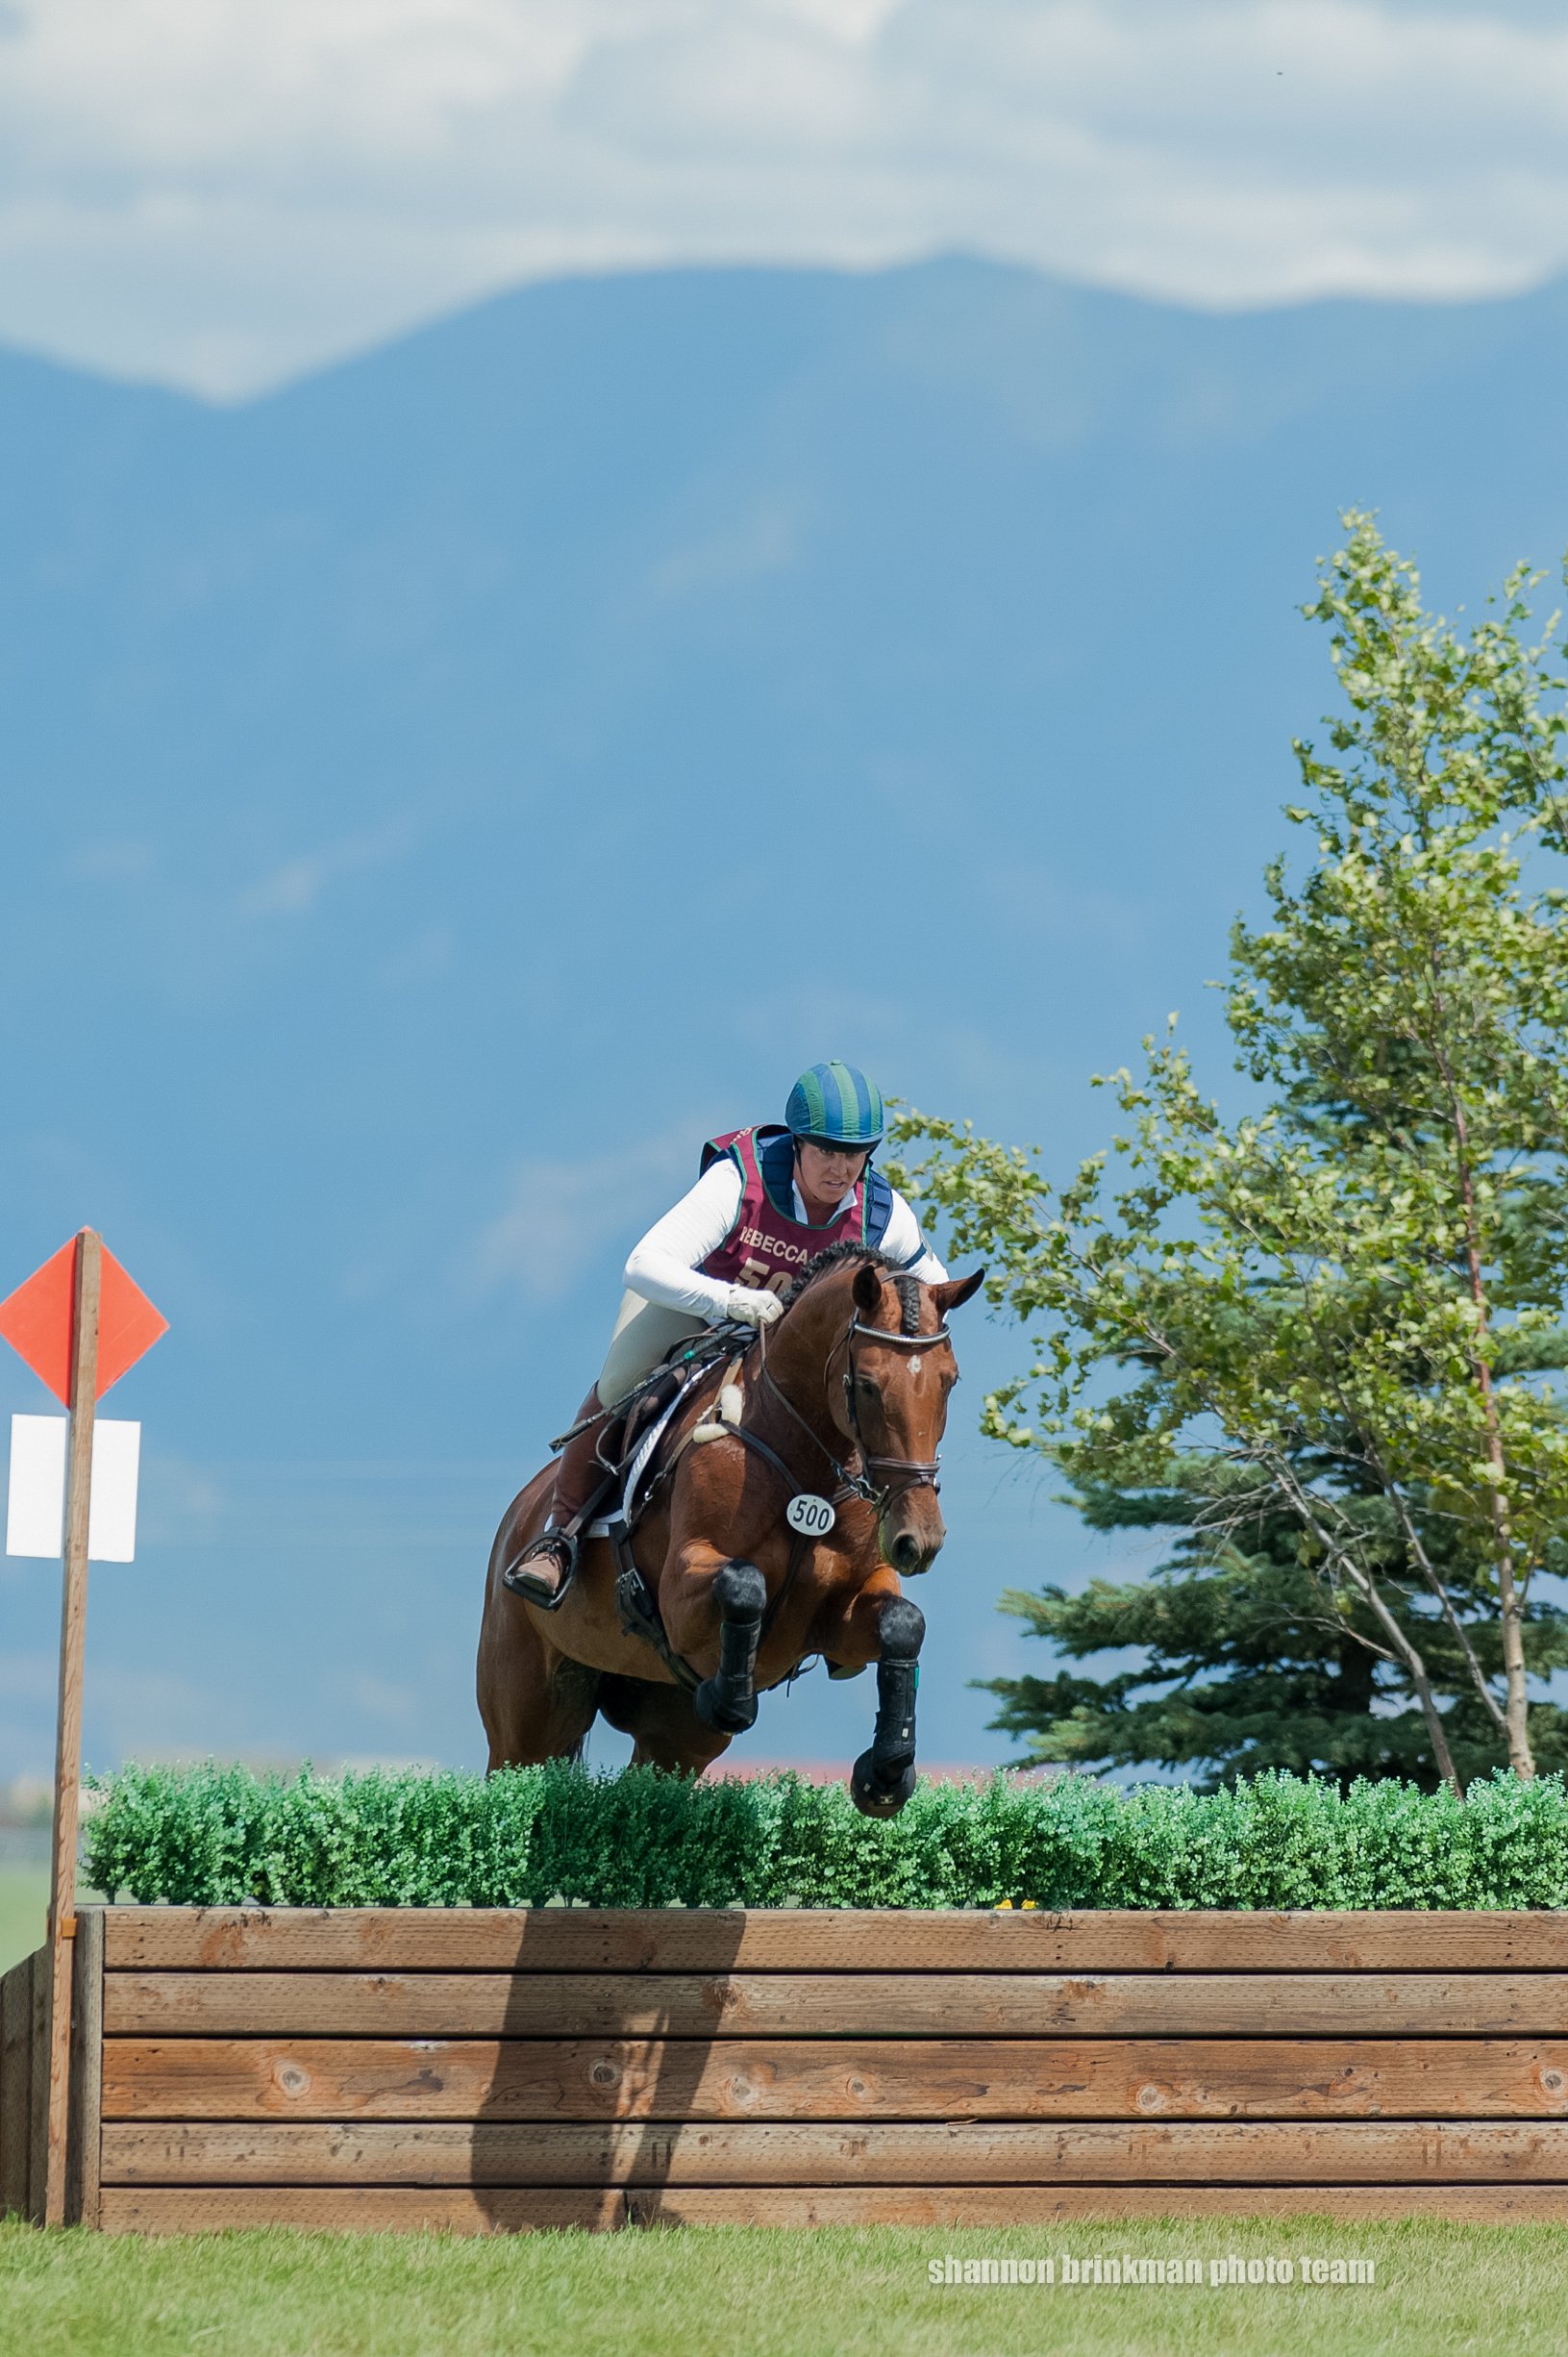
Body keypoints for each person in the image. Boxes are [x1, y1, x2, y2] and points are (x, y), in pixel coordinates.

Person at [504, 1060, 947, 1605]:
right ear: (798, 1143)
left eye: (853, 1155)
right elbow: (644, 1264)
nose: (839, 1169)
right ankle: (560, 1537)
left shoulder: (883, 1214)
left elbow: (933, 1292)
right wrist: (730, 1300)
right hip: (695, 1303)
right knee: (623, 1383)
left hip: (787, 1347)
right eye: (825, 1152)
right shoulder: (741, 1181)